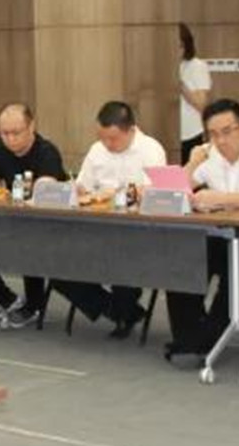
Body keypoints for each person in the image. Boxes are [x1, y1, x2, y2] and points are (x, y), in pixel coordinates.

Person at [163, 99, 239, 361]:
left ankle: (202, 343)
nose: (220, 140)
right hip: (218, 235)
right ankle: (189, 340)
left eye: (227, 131)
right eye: (213, 134)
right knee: (180, 266)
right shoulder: (207, 154)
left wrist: (219, 199)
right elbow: (170, 192)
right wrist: (192, 164)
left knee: (234, 277)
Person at [57, 101, 168, 337]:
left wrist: (119, 194)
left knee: (121, 257)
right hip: (96, 227)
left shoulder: (151, 150)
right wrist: (76, 189)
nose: (107, 144)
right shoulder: (97, 150)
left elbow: (157, 194)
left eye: (113, 139)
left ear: (131, 130)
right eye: (102, 138)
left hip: (137, 232)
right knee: (58, 264)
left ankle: (124, 310)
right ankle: (121, 311)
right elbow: (83, 186)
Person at [0, 103, 68, 329]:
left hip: (50, 222)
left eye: (16, 133)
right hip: (14, 218)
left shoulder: (47, 152)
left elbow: (42, 194)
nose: (10, 139)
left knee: (29, 238)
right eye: (4, 133)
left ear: (31, 127)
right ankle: (8, 300)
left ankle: (34, 306)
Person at [177, 23, 212, 161]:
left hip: (190, 133)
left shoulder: (197, 66)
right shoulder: (157, 66)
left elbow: (201, 104)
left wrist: (179, 84)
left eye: (180, 46)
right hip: (165, 131)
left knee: (190, 172)